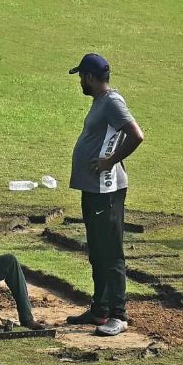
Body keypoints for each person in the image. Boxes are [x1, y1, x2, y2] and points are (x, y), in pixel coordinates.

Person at [65, 53, 145, 337]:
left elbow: (136, 134)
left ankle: (118, 315)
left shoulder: (112, 101)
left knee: (111, 253)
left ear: (89, 77)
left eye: (81, 78)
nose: (80, 84)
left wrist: (110, 161)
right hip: (93, 189)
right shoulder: (101, 102)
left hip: (107, 190)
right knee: (97, 252)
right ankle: (99, 309)